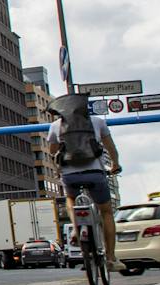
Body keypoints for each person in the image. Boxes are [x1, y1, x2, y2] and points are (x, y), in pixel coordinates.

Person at [45, 94, 121, 273]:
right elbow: (111, 147)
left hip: (70, 174)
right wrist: (115, 164)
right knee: (106, 212)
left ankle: (77, 228)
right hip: (95, 173)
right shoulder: (97, 122)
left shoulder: (56, 126)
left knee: (70, 199)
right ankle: (111, 258)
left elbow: (52, 150)